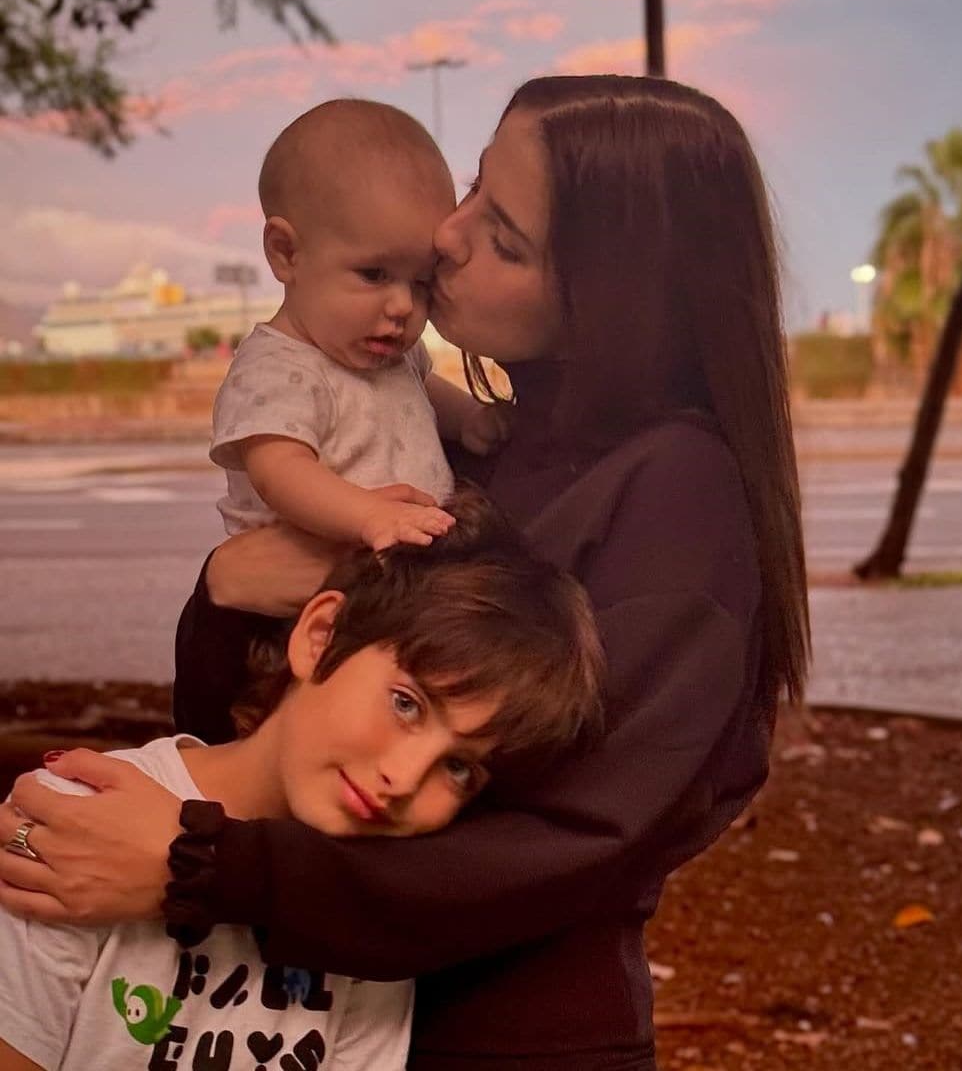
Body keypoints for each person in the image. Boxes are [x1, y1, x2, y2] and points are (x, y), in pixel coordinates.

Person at [0, 75, 810, 1070]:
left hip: (508, 1036)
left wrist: (201, 866)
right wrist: (223, 597)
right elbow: (259, 718)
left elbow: (579, 841)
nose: (449, 236)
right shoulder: (459, 439)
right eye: (474, 188)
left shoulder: (677, 496)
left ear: (613, 298)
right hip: (313, 1013)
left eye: (505, 237)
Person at [0, 490, 604, 1071]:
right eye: (407, 704)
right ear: (321, 638)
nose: (402, 778)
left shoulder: (375, 914)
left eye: (459, 767)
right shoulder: (82, 822)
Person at [212, 98, 505, 552]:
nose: (404, 305)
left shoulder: (388, 354)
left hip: (396, 562)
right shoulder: (274, 369)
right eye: (375, 275)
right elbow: (280, 472)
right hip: (311, 589)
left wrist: (470, 419)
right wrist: (370, 516)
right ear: (287, 253)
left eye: (422, 281)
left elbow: (422, 386)